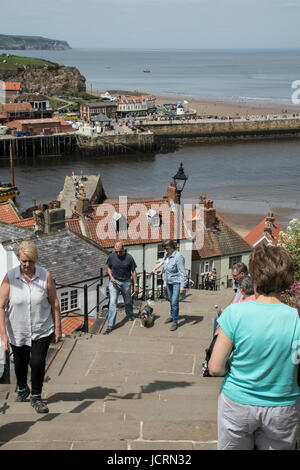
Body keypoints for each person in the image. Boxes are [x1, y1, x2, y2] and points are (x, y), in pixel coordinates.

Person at [208, 245, 300, 450]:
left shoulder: (235, 313)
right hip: (282, 407)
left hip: (238, 404)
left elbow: (215, 367)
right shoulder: (296, 318)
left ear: (254, 276)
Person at [0, 241, 62, 414]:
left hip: (42, 329)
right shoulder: (10, 277)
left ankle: (36, 396)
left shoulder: (45, 276)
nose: (26, 265)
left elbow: (54, 301)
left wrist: (58, 327)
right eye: (23, 261)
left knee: (37, 362)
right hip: (17, 331)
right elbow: (1, 305)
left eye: (30, 261)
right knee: (19, 363)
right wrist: (3, 334)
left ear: (35, 260)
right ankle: (22, 389)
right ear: (19, 260)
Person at [105, 242, 138, 334]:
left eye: (119, 251)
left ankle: (130, 314)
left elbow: (134, 271)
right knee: (112, 303)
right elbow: (108, 268)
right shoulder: (112, 256)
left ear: (123, 249)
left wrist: (135, 285)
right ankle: (110, 325)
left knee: (127, 301)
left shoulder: (129, 258)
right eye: (116, 251)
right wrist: (111, 277)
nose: (118, 253)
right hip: (114, 282)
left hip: (126, 282)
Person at [161, 239, 187, 331]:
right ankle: (172, 316)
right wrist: (162, 274)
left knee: (174, 302)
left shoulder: (178, 257)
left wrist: (182, 286)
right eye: (165, 249)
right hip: (168, 282)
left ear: (172, 247)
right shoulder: (166, 255)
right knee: (171, 300)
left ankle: (175, 321)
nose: (166, 250)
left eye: (167, 248)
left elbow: (182, 272)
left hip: (176, 282)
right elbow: (165, 266)